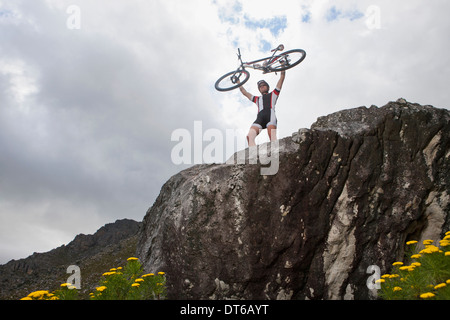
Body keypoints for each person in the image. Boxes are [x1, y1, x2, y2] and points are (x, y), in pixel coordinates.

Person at [238, 70, 286, 147]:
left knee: (273, 139)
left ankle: (277, 156)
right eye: (260, 86)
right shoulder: (257, 99)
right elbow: (244, 92)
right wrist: (238, 82)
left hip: (270, 116)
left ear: (268, 87)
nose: (262, 86)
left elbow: (282, 78)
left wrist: (283, 66)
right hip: (260, 118)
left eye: (264, 85)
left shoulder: (273, 94)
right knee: (249, 137)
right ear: (259, 89)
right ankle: (255, 155)